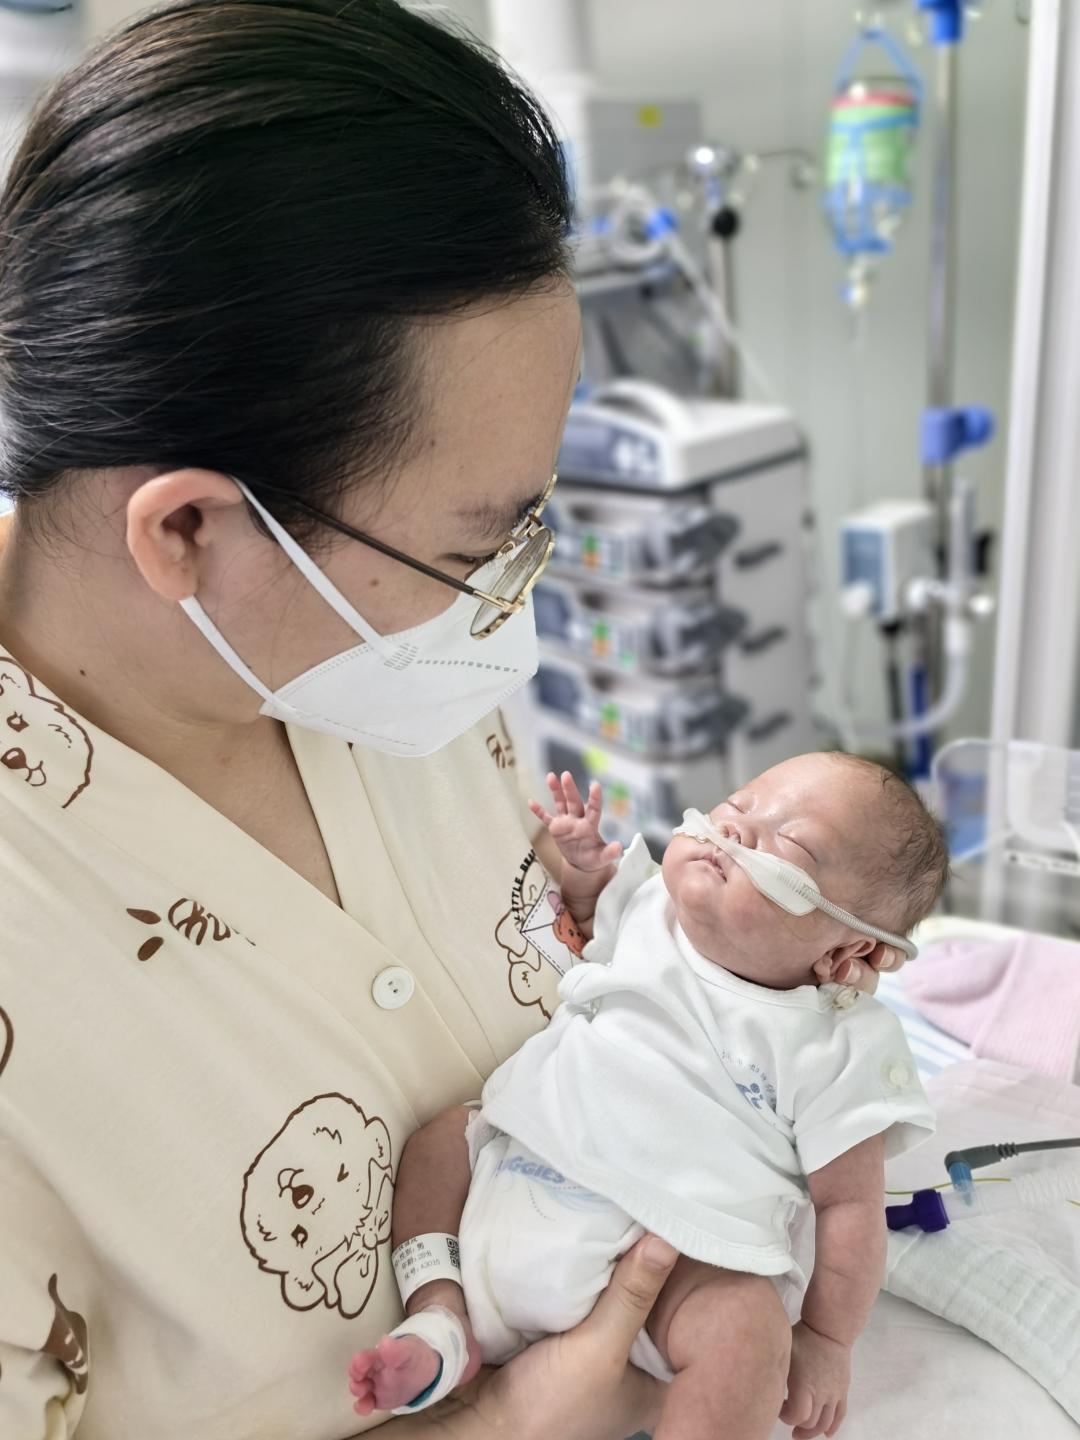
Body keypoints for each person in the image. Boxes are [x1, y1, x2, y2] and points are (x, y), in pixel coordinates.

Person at [0, 2, 893, 1436]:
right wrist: (509, 1424)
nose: (507, 598)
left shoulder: (361, 665)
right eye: (479, 546)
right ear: (188, 534)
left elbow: (548, 984)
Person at [350, 755, 945, 1440]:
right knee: (439, 1141)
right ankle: (441, 1314)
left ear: (849, 950)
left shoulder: (837, 1042)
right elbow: (579, 924)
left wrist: (827, 1339)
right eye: (739, 804)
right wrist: (582, 869)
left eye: (791, 844)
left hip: (672, 1258)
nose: (735, 829)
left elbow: (850, 1206)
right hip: (518, 1171)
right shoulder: (648, 906)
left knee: (748, 1334)